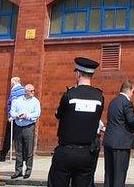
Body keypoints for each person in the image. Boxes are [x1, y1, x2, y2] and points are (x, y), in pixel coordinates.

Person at [48, 57, 105, 187]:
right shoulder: (99, 97)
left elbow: (58, 114)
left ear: (78, 73)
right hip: (87, 153)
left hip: (66, 151)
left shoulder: (69, 95)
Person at [104, 80, 134, 187]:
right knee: (119, 174)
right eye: (133, 92)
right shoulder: (127, 103)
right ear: (129, 90)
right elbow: (132, 121)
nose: (132, 95)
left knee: (109, 174)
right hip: (121, 144)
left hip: (109, 142)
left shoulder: (113, 102)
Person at [12, 80, 42, 179]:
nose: (33, 92)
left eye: (33, 91)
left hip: (29, 127)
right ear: (26, 91)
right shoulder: (17, 100)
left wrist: (27, 116)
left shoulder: (35, 101)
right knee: (18, 150)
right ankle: (18, 170)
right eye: (31, 91)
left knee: (29, 150)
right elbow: (12, 111)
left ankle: (28, 170)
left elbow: (37, 114)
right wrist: (17, 115)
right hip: (18, 125)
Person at [4, 77, 24, 165]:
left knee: (9, 136)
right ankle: (22, 156)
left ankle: (3, 154)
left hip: (14, 117)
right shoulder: (24, 90)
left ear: (13, 83)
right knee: (21, 137)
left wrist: (10, 115)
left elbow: (11, 104)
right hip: (22, 118)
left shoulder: (13, 92)